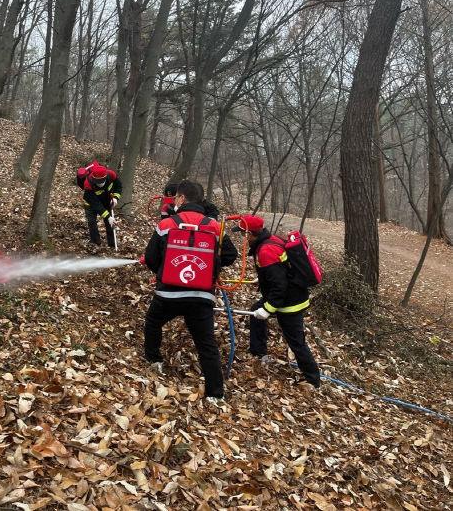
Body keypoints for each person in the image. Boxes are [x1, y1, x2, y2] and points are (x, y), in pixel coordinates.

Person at [142, 181, 238, 401]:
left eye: (175, 197)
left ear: (182, 199)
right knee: (206, 344)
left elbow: (150, 258)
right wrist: (209, 264)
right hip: (201, 296)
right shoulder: (214, 226)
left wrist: (164, 269)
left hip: (167, 294)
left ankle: (154, 361)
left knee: (153, 322)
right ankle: (216, 394)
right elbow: (230, 256)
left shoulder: (167, 224)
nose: (174, 201)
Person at [232, 215, 321, 388]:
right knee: (255, 311)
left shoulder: (266, 251)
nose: (243, 237)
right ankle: (258, 352)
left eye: (244, 233)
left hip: (290, 302)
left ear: (251, 234)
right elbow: (280, 272)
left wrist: (268, 309)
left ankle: (313, 379)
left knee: (296, 341)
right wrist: (263, 280)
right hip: (289, 295)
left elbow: (280, 286)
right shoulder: (270, 240)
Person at [81, 164, 122, 248]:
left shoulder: (111, 175)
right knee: (92, 222)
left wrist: (115, 198)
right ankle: (96, 243)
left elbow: (119, 186)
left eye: (102, 181)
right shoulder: (88, 184)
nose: (100, 184)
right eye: (98, 182)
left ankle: (112, 244)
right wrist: (108, 216)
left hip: (107, 201)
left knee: (110, 223)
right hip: (90, 204)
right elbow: (96, 204)